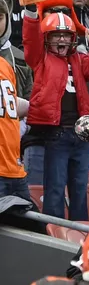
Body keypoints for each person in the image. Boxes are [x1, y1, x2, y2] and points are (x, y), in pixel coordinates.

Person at [23, 10, 89, 220]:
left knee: (80, 189)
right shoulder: (39, 58)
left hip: (81, 135)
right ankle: (54, 239)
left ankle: (81, 239)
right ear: (46, 38)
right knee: (55, 189)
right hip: (56, 134)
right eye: (56, 35)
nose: (61, 39)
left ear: (73, 39)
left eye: (66, 35)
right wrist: (31, 14)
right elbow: (30, 39)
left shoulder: (78, 59)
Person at [0, 55, 30, 201]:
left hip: (14, 169)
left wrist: (34, 108)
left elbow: (8, 103)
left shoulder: (5, 65)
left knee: (29, 224)